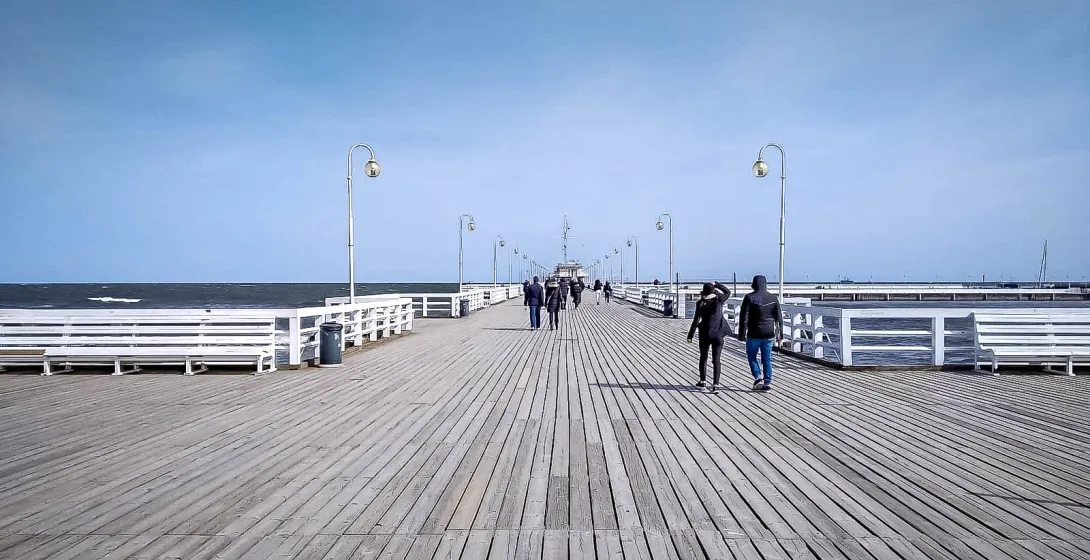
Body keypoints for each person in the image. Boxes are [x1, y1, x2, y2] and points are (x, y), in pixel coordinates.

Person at [737, 275, 783, 391]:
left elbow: (744, 318)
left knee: (752, 356)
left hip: (753, 333)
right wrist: (780, 334)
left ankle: (758, 378)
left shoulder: (749, 297)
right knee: (767, 359)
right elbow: (779, 318)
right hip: (768, 333)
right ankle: (767, 383)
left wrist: (742, 334)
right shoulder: (773, 298)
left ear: (754, 284)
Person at [687, 282, 731, 393]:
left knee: (703, 357)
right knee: (716, 360)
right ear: (713, 290)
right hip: (718, 334)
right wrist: (717, 284)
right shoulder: (718, 300)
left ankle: (703, 382)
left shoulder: (700, 303)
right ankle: (715, 385)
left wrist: (690, 335)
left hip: (704, 333)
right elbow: (728, 292)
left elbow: (696, 320)